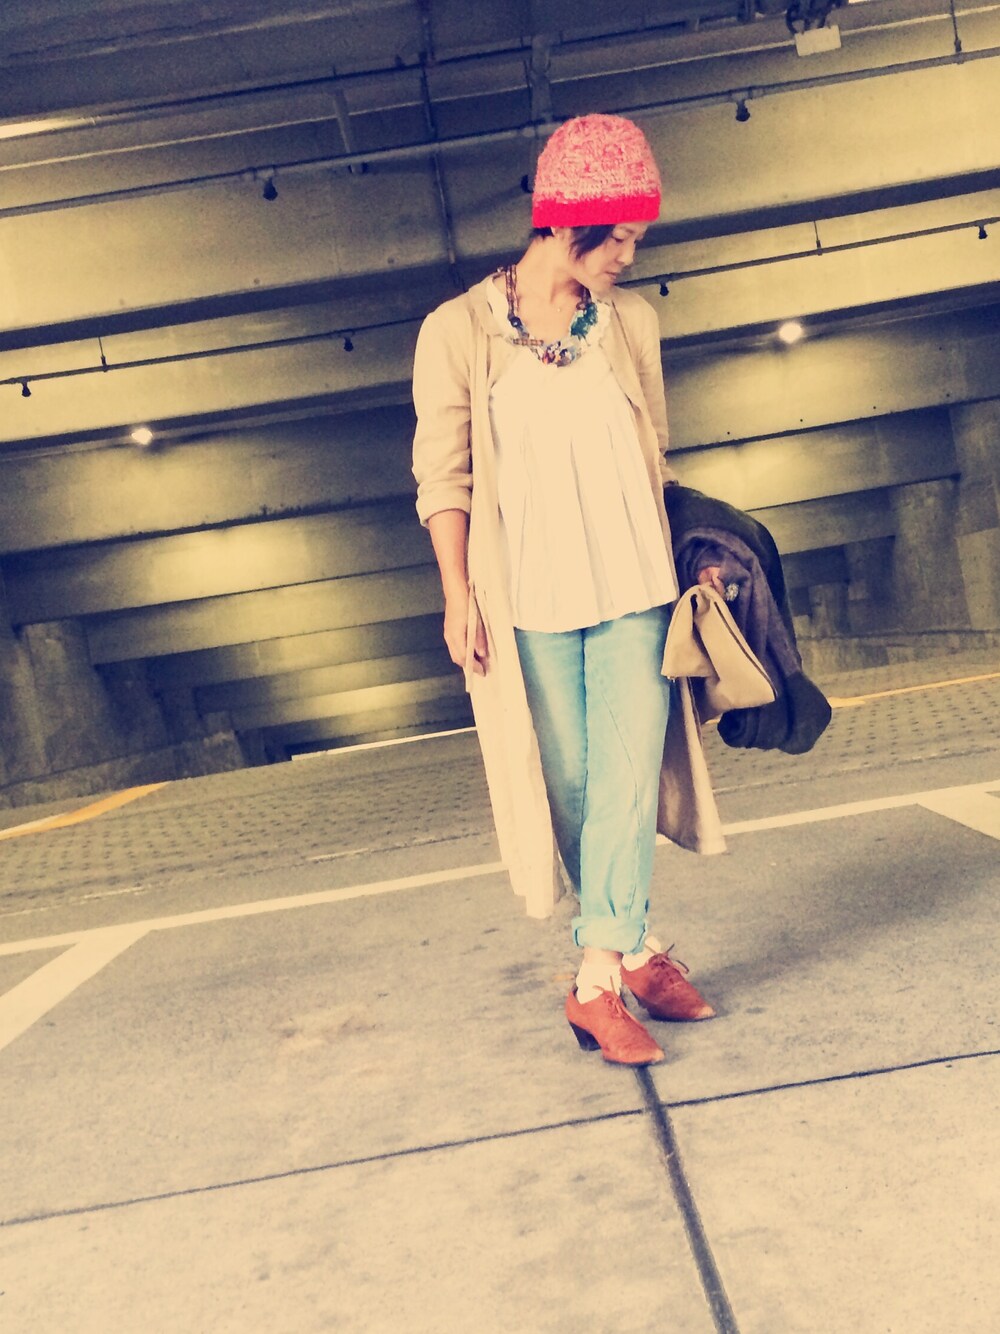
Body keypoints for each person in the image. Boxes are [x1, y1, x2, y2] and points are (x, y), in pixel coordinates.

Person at [412, 113, 726, 1067]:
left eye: (636, 237)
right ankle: (638, 949)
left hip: (634, 580)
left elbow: (656, 454)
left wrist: (694, 554)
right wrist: (457, 592)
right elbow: (445, 476)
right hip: (528, 599)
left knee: (627, 775)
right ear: (562, 221)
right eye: (617, 235)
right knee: (576, 788)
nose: (630, 255)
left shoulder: (631, 325)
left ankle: (594, 988)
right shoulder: (459, 332)